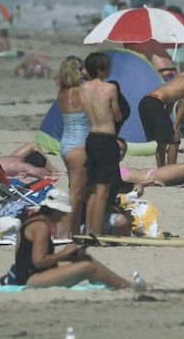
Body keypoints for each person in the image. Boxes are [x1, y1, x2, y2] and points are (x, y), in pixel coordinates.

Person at [11, 189, 130, 289]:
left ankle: (124, 284)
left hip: (30, 272)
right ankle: (124, 286)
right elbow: (39, 262)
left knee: (85, 259)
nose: (64, 216)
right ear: (55, 209)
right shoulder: (41, 226)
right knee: (88, 266)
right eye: (63, 212)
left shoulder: (33, 221)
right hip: (30, 278)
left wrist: (70, 255)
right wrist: (65, 252)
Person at [80, 52, 124, 236]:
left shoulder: (82, 88)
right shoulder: (109, 89)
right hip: (106, 139)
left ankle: (89, 230)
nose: (110, 70)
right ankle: (97, 235)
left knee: (92, 189)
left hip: (91, 138)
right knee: (103, 190)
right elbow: (117, 115)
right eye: (107, 67)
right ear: (100, 70)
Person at [138, 57, 184, 167]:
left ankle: (161, 171)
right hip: (155, 103)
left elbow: (171, 100)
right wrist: (175, 126)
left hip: (146, 101)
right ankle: (171, 172)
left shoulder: (182, 75)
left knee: (163, 140)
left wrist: (167, 121)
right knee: (174, 140)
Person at [55, 56, 90, 237]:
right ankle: (64, 233)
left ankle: (74, 231)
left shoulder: (62, 91)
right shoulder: (82, 90)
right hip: (79, 146)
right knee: (75, 194)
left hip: (66, 143)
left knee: (77, 191)